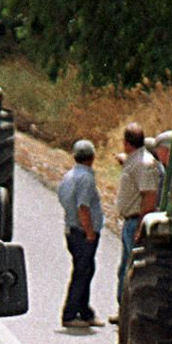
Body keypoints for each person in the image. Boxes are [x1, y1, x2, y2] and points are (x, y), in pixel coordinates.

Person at [111, 121, 160, 318]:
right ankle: (122, 309)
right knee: (124, 268)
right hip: (128, 221)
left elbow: (149, 196)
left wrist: (141, 225)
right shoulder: (136, 159)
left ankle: (130, 311)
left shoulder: (145, 164)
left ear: (126, 142)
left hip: (135, 222)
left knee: (133, 270)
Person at [56, 139, 102, 328]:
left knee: (86, 270)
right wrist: (89, 231)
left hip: (72, 230)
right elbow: (83, 207)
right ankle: (69, 314)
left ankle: (85, 312)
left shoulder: (68, 176)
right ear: (92, 158)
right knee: (82, 273)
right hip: (82, 232)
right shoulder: (86, 178)